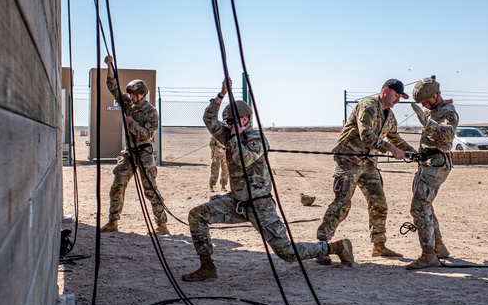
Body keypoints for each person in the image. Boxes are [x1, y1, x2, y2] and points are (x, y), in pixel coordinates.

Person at [182, 79, 353, 281]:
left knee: (287, 253)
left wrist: (235, 136)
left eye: (232, 122)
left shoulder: (257, 138)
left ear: (246, 119)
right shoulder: (230, 134)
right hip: (236, 202)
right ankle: (207, 267)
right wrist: (221, 95)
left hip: (260, 205)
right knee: (197, 215)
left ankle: (334, 247)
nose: (228, 126)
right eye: (227, 123)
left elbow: (243, 159)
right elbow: (209, 120)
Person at [316, 79, 417, 263]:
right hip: (348, 158)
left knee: (379, 202)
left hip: (368, 162)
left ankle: (379, 246)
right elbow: (366, 135)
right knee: (343, 202)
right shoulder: (368, 106)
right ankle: (321, 246)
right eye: (396, 96)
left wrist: (414, 153)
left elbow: (396, 138)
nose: (397, 101)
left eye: (400, 98)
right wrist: (391, 149)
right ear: (385, 91)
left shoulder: (390, 116)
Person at [99, 55, 169, 235]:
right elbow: (112, 87)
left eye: (134, 94)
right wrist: (109, 65)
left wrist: (132, 123)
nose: (131, 96)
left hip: (144, 154)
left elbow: (149, 134)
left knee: (150, 189)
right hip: (130, 153)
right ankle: (113, 221)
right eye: (130, 93)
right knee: (117, 185)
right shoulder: (128, 104)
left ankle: (162, 225)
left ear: (143, 94)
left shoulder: (151, 111)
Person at [405, 78, 459, 270]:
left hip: (436, 164)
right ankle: (438, 246)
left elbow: (447, 134)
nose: (423, 106)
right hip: (426, 162)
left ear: (435, 96)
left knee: (419, 207)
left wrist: (427, 123)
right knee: (426, 206)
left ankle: (429, 255)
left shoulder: (448, 112)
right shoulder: (434, 111)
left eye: (425, 102)